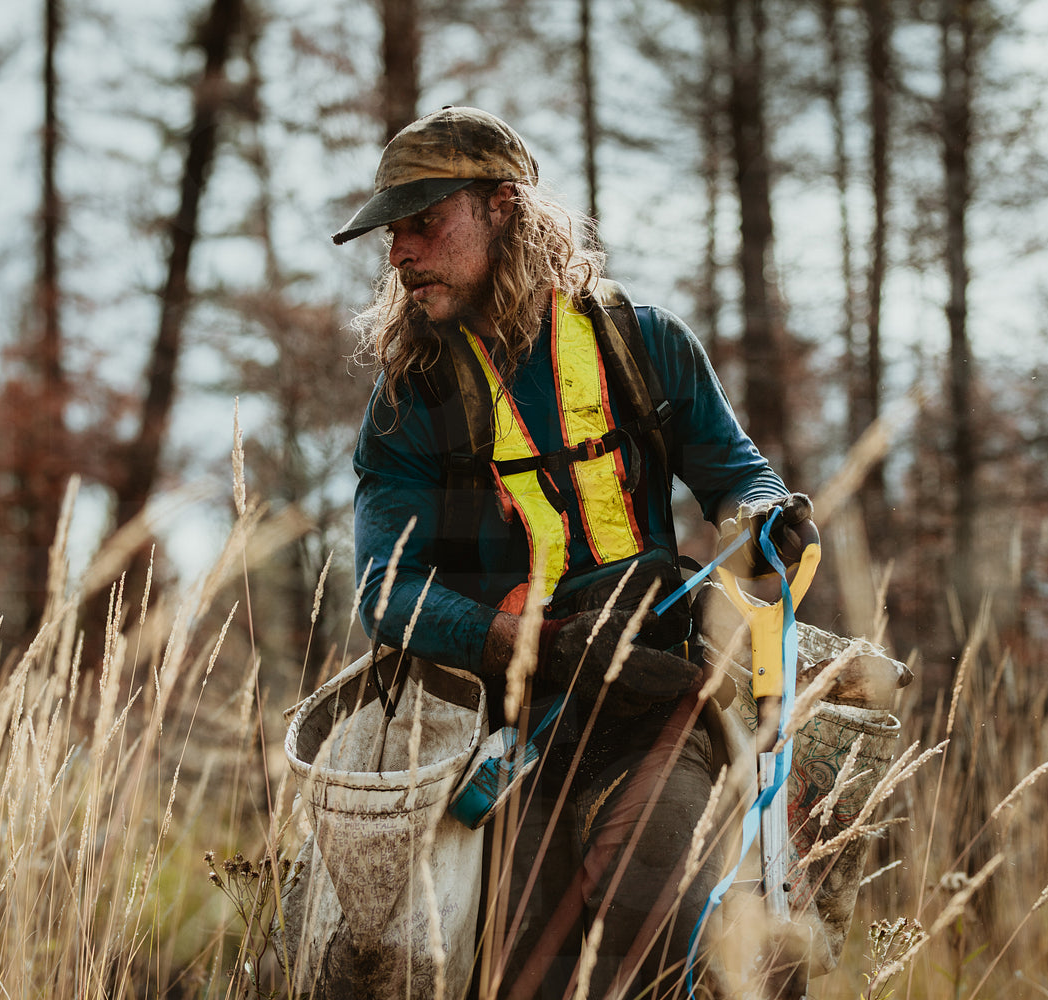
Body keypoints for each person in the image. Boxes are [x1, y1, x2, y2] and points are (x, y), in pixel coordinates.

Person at [336, 107, 818, 1000]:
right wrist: (545, 649)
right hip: (499, 739)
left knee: (658, 922)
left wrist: (765, 517)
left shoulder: (646, 343)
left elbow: (737, 476)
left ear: (503, 207)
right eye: (391, 233)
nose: (398, 252)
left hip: (654, 706)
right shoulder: (408, 399)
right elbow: (385, 592)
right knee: (530, 978)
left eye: (423, 222)